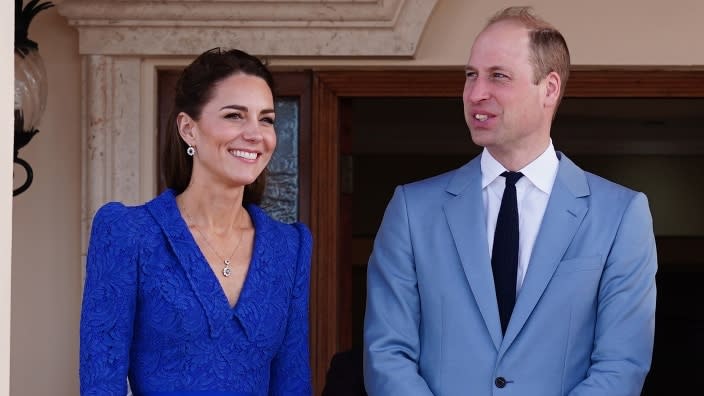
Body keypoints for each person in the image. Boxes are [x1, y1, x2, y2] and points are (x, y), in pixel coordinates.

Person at [363, 6, 657, 396]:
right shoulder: (411, 211)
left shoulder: (621, 216)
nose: (475, 93)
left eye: (498, 76)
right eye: (471, 75)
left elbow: (621, 366)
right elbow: (386, 354)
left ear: (549, 88)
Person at [79, 48, 313, 396]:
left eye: (266, 119)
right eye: (235, 115)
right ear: (189, 129)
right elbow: (101, 383)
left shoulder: (289, 246)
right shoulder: (129, 233)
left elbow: (292, 384)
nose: (255, 133)